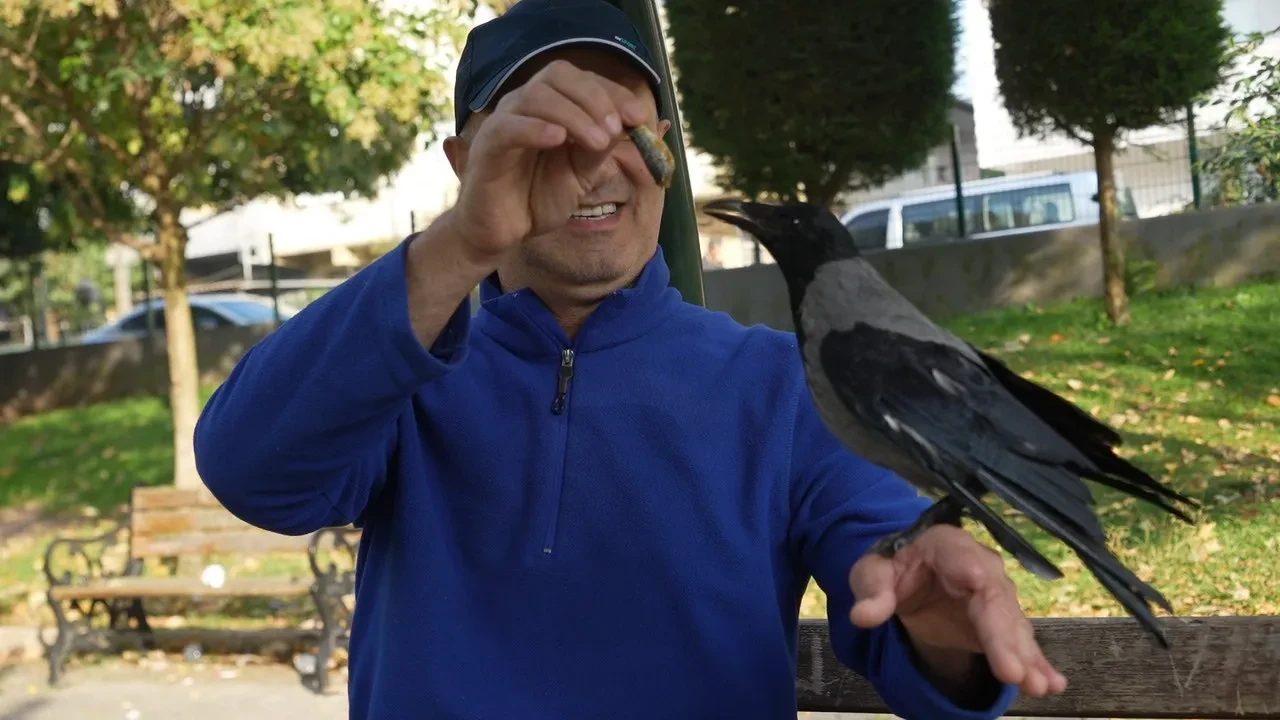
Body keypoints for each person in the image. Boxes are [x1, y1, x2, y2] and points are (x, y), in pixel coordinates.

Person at [193, 0, 1067, 717]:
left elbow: (894, 582)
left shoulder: (782, 384)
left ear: (665, 155)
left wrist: (939, 625)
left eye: (627, 128)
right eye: (547, 130)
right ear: (467, 162)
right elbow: (248, 468)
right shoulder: (404, 371)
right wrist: (463, 242)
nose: (597, 164)